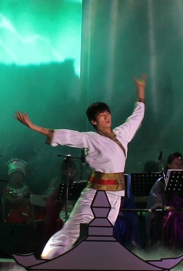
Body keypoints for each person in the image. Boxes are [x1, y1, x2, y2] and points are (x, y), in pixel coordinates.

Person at [15, 75, 146, 259]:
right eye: (101, 115)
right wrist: (34, 127)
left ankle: (90, 263)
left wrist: (140, 92)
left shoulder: (122, 134)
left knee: (103, 233)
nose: (106, 116)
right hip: (96, 194)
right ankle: (51, 258)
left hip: (116, 195)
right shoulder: (91, 138)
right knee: (73, 228)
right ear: (94, 121)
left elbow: (136, 118)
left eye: (107, 113)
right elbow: (67, 136)